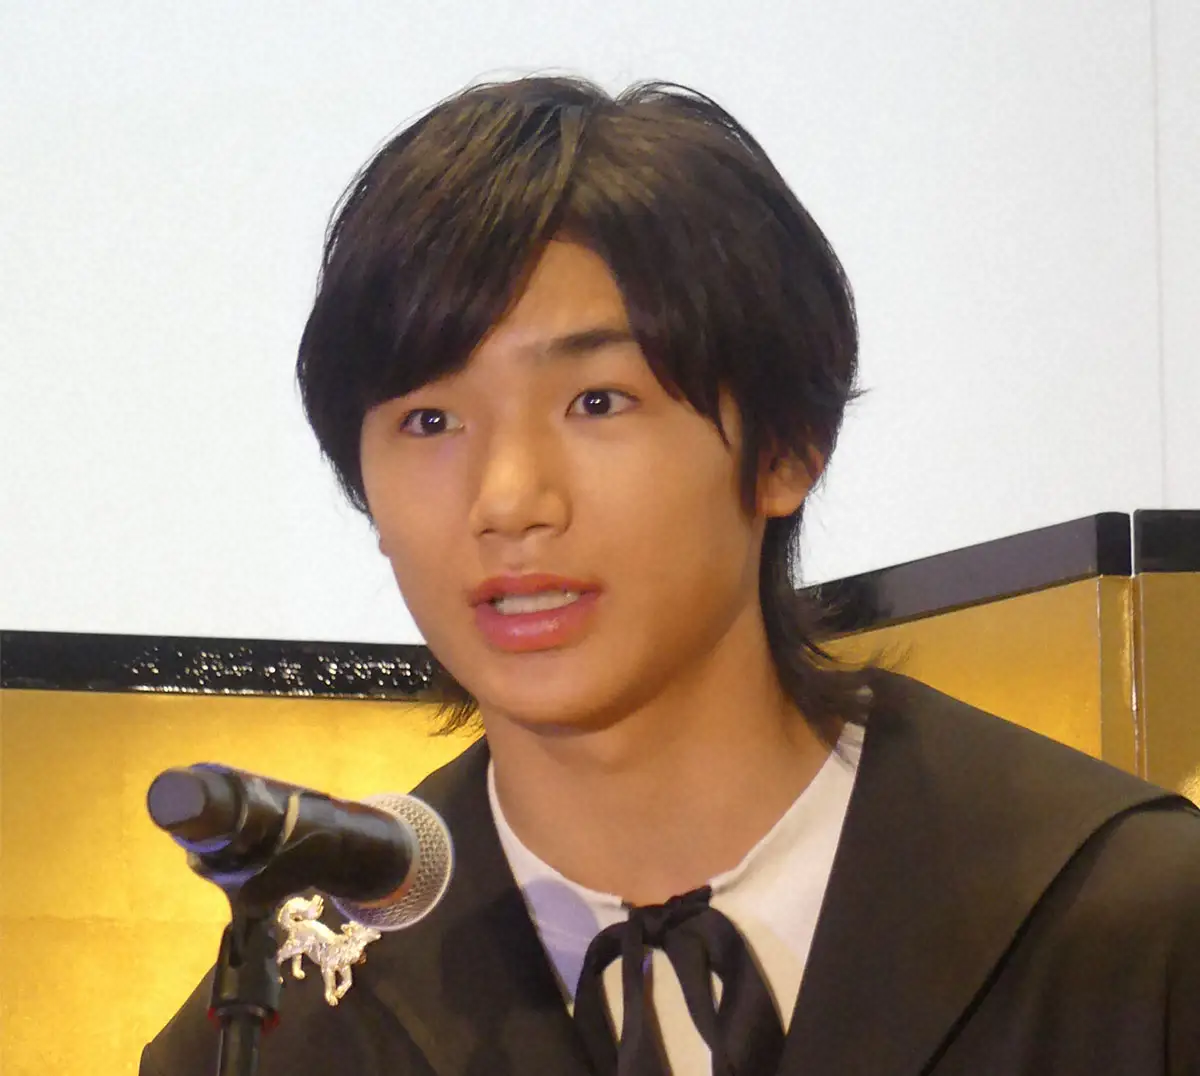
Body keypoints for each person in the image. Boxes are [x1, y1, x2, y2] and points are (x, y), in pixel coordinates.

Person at [141, 75, 1200, 1075]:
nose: (507, 499)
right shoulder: (289, 1028)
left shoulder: (1126, 924)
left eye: (597, 401)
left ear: (787, 446)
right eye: (429, 420)